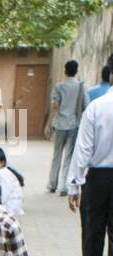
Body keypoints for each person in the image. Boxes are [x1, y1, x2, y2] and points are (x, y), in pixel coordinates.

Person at [67, 86, 113, 256]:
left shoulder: (96, 108)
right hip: (98, 177)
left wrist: (75, 184)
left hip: (97, 179)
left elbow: (83, 148)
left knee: (92, 233)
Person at [46, 59, 89, 195]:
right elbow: (86, 105)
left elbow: (54, 106)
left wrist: (48, 123)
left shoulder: (59, 87)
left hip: (59, 124)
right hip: (74, 125)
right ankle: (64, 187)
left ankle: (52, 184)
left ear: (65, 71)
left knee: (57, 154)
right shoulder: (81, 87)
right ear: (76, 71)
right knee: (69, 156)